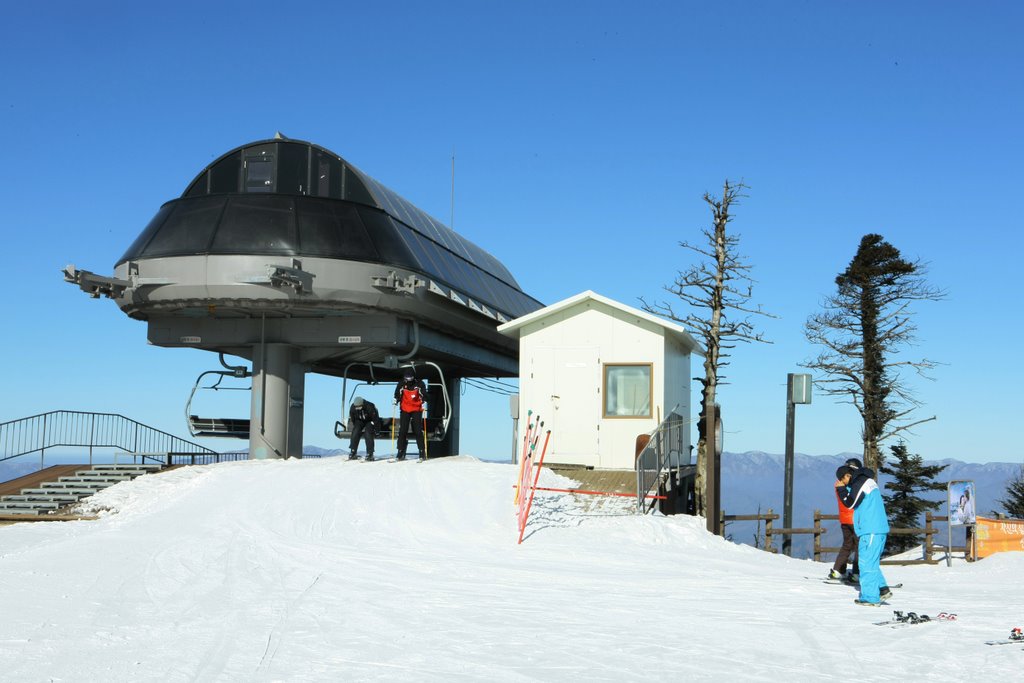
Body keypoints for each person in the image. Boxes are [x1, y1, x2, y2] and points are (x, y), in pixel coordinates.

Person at [840, 461, 893, 605]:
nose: (842, 483)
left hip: (870, 530)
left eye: (842, 479)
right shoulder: (869, 481)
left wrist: (841, 491)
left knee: (866, 564)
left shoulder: (860, 483)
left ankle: (870, 597)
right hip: (877, 529)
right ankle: (882, 589)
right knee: (872, 562)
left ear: (848, 475)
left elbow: (851, 503)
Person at [829, 465, 860, 582]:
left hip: (844, 520)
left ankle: (838, 570)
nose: (850, 477)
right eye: (848, 475)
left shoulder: (838, 486)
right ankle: (857, 573)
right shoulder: (849, 487)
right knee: (859, 547)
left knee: (846, 546)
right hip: (854, 520)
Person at [393, 368, 427, 461]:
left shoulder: (419, 383)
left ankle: (421, 452)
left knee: (418, 431)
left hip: (416, 409)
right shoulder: (402, 384)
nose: (408, 379)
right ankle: (400, 451)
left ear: (413, 377)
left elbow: (423, 393)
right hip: (405, 409)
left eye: (410, 377)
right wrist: (396, 399)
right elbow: (397, 393)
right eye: (407, 377)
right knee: (402, 431)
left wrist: (424, 400)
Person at [348, 396, 379, 461]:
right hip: (359, 421)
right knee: (356, 431)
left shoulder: (370, 406)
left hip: (369, 421)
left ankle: (370, 453)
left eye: (359, 407)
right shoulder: (353, 408)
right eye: (357, 407)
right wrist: (357, 426)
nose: (358, 408)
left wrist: (377, 430)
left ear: (362, 404)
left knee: (368, 433)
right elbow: (353, 418)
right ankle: (353, 451)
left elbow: (375, 419)